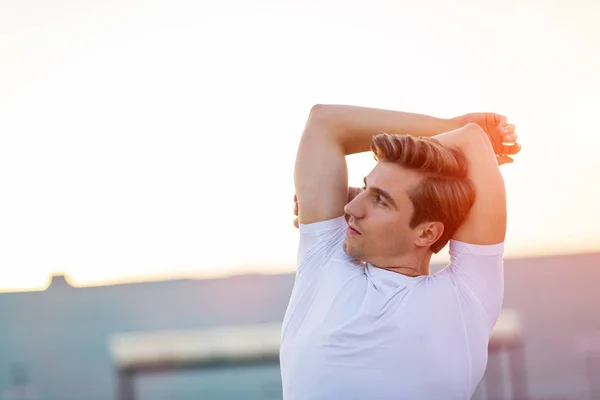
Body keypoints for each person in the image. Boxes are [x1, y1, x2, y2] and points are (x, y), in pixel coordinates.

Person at [279, 104, 521, 400]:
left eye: (380, 200)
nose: (350, 207)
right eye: (364, 189)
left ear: (427, 233)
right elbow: (323, 121)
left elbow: (472, 141)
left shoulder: (466, 298)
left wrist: (451, 136)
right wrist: (447, 124)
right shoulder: (325, 260)